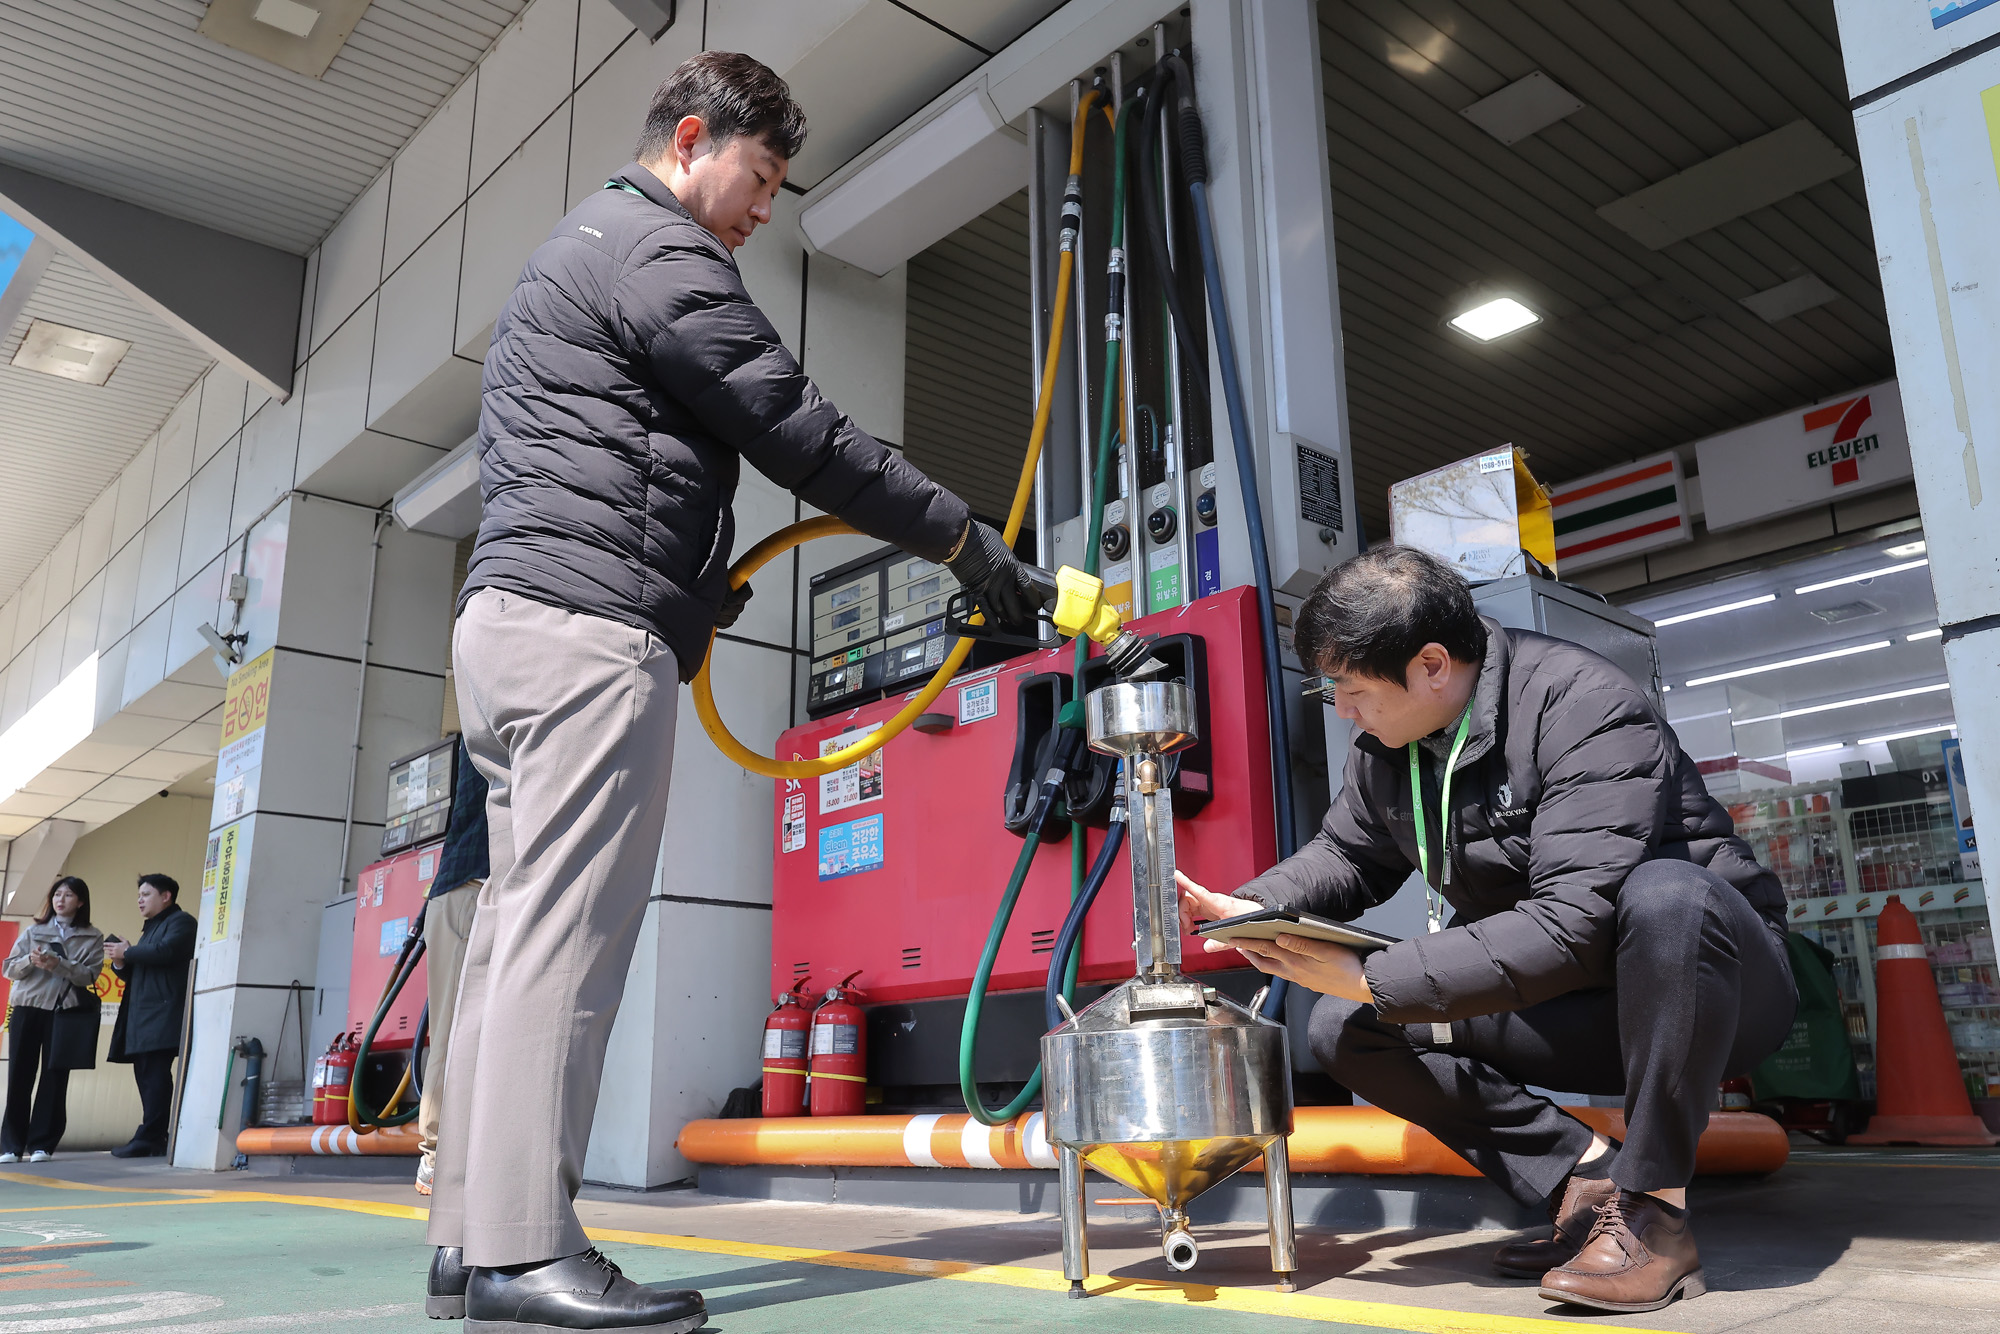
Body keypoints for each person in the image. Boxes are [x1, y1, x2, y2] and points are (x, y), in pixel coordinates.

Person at [424, 51, 1040, 1333]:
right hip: (586, 640)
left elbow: (605, 462)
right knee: (562, 944)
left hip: (507, 626)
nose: (765, 210)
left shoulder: (570, 251)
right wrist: (968, 545)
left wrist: (693, 594)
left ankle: (467, 1238)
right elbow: (797, 429)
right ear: (691, 140)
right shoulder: (659, 251)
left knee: (504, 947)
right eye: (758, 178)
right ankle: (524, 1251)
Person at [1179, 545, 1796, 1315]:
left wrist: (1376, 974)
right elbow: (1348, 854)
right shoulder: (1387, 749)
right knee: (1344, 1025)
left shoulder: (1581, 704)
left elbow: (1575, 922)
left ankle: (1653, 1214)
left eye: (1352, 687)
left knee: (1667, 895)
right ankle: (1585, 1186)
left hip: (1717, 989)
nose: (1341, 709)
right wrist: (1252, 907)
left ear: (1432, 665)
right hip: (1582, 1002)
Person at [415, 737, 489, 1197]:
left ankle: (449, 1155)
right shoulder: (499, 712)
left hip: (469, 889)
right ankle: (436, 1157)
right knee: (455, 1030)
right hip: (470, 889)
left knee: (461, 1029)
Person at [2, 876, 104, 1163]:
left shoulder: (92, 936)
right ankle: (11, 1145)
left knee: (55, 1077)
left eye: (69, 895)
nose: (61, 900)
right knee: (19, 1075)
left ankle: (42, 1144)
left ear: (80, 901)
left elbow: (90, 975)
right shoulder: (34, 931)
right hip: (27, 1008)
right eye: (57, 894)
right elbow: (8, 969)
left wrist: (60, 965)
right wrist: (30, 961)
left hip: (64, 1012)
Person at [106, 874, 196, 1158]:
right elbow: (145, 967)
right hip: (144, 1016)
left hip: (162, 1014)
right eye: (139, 896)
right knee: (146, 1074)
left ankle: (152, 1135)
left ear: (166, 896)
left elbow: (166, 952)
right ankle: (152, 1135)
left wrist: (129, 951)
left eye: (146, 894)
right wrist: (121, 962)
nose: (140, 900)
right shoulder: (152, 928)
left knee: (155, 1075)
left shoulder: (181, 922)